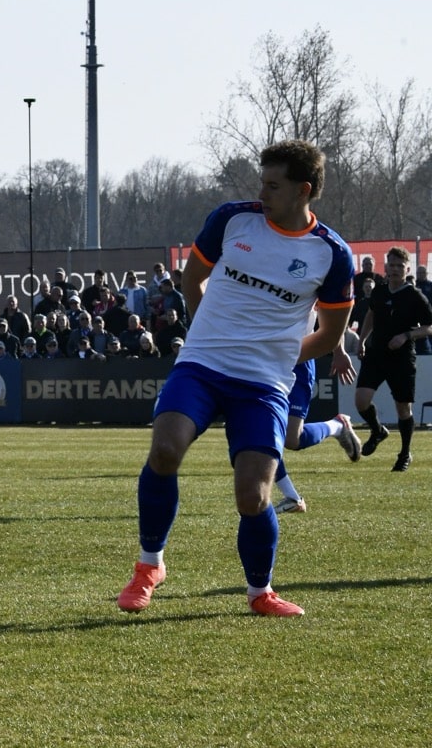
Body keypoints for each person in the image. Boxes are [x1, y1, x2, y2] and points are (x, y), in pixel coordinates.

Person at [116, 139, 354, 619]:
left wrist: (278, 357)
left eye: (273, 185)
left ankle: (260, 592)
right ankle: (149, 566)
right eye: (261, 182)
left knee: (254, 494)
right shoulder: (232, 218)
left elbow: (330, 335)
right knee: (164, 450)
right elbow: (192, 279)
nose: (261, 192)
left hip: (264, 383)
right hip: (202, 365)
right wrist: (211, 333)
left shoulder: (332, 254)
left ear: (303, 191)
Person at [353, 245, 432, 472]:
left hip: (402, 359)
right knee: (361, 401)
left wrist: (406, 335)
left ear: (407, 269)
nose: (395, 269)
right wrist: (361, 340)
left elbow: (429, 327)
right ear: (386, 267)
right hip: (377, 353)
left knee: (403, 409)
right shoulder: (379, 290)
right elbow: (371, 314)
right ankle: (377, 430)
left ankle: (405, 453)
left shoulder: (415, 296)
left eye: (400, 265)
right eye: (392, 265)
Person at [272, 353, 362, 513]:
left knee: (292, 439)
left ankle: (337, 426)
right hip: (264, 359)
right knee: (257, 428)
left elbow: (332, 326)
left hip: (297, 360)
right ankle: (292, 497)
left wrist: (339, 350)